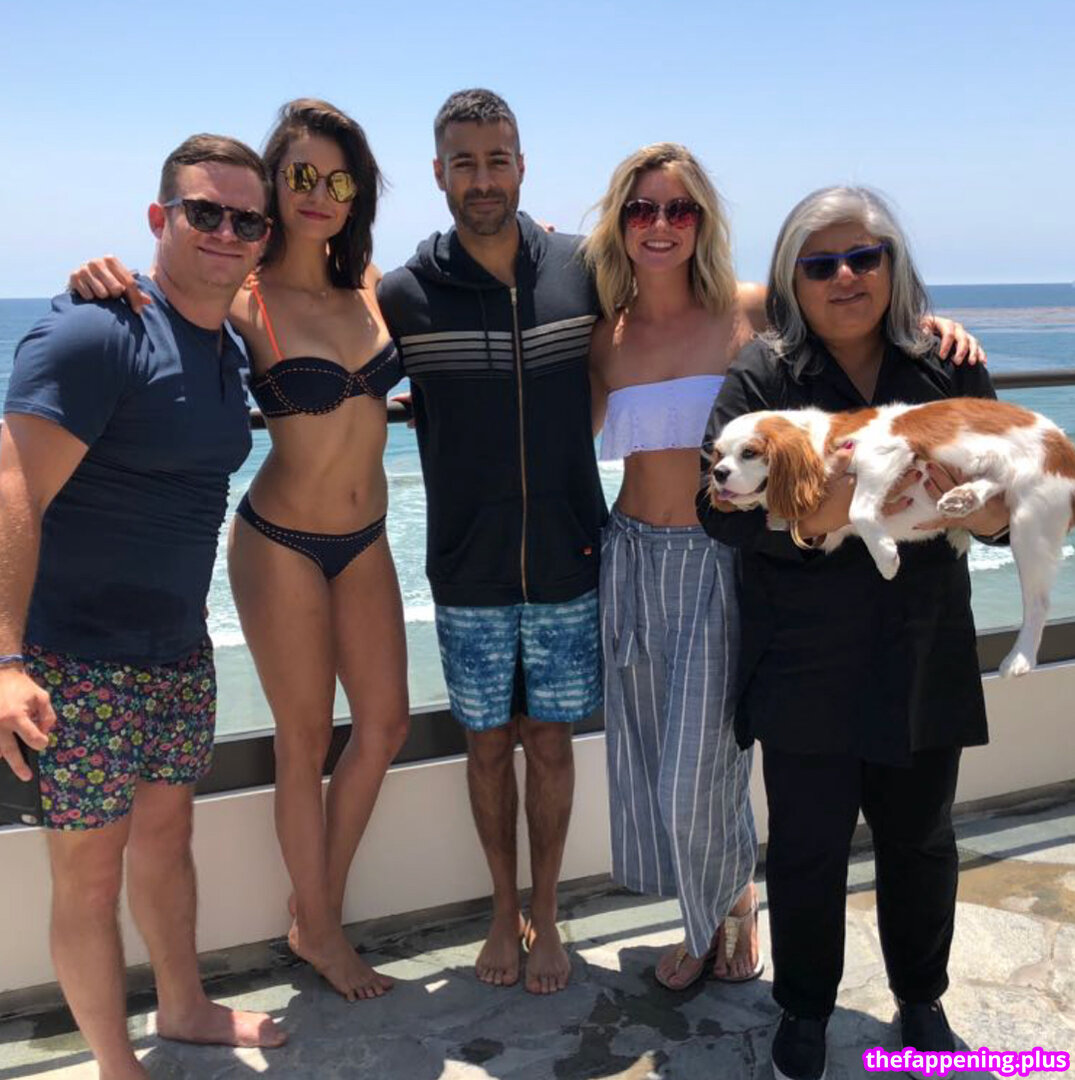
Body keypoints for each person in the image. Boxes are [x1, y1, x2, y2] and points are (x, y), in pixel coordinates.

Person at [67, 100, 409, 1003]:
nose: (320, 193)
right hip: (281, 541)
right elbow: (162, 303)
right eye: (300, 175)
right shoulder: (244, 297)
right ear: (272, 183)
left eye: (339, 179)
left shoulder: (371, 283)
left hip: (368, 537)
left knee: (384, 727)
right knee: (305, 740)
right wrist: (98, 273)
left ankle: (311, 909)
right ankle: (323, 929)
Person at [696, 186, 1007, 1080]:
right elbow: (711, 507)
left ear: (891, 267)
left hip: (921, 643)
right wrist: (811, 521)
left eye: (863, 258)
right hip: (803, 655)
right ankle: (803, 1010)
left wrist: (983, 514)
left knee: (922, 839)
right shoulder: (762, 376)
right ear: (791, 279)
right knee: (806, 849)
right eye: (820, 262)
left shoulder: (946, 366)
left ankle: (921, 999)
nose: (844, 277)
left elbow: (1004, 495)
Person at [0, 135, 287, 1080]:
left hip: (176, 649)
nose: (226, 233)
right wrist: (4, 662)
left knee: (167, 842)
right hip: (73, 661)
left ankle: (185, 1007)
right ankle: (118, 1066)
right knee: (88, 874)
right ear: (160, 218)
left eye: (246, 220)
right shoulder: (95, 333)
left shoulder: (225, 339)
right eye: (204, 212)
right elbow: (11, 489)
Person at [377, 89, 606, 995]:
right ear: (438, 173)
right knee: (483, 747)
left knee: (549, 743)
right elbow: (306, 326)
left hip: (567, 556)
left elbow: (697, 303)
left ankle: (546, 912)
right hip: (465, 564)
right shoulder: (404, 294)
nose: (482, 179)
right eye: (464, 163)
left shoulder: (583, 269)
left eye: (497, 160)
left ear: (521, 166)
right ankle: (500, 912)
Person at [583, 144, 764, 989]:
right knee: (651, 758)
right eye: (642, 209)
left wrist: (936, 331)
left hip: (717, 562)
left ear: (702, 222)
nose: (660, 225)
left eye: (679, 209)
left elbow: (856, 332)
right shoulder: (604, 336)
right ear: (619, 223)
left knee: (700, 770)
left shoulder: (748, 311)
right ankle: (716, 908)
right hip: (628, 558)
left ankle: (717, 918)